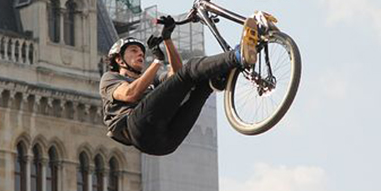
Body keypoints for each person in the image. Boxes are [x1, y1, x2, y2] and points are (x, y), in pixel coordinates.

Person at [99, 15, 260, 156]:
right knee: (190, 68)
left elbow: (176, 75)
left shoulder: (150, 82)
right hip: (137, 127)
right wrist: (157, 61)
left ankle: (228, 71)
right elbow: (129, 94)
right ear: (119, 60)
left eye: (141, 51)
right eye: (133, 51)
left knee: (202, 87)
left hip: (164, 144)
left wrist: (167, 39)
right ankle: (237, 56)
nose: (140, 54)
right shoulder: (110, 78)